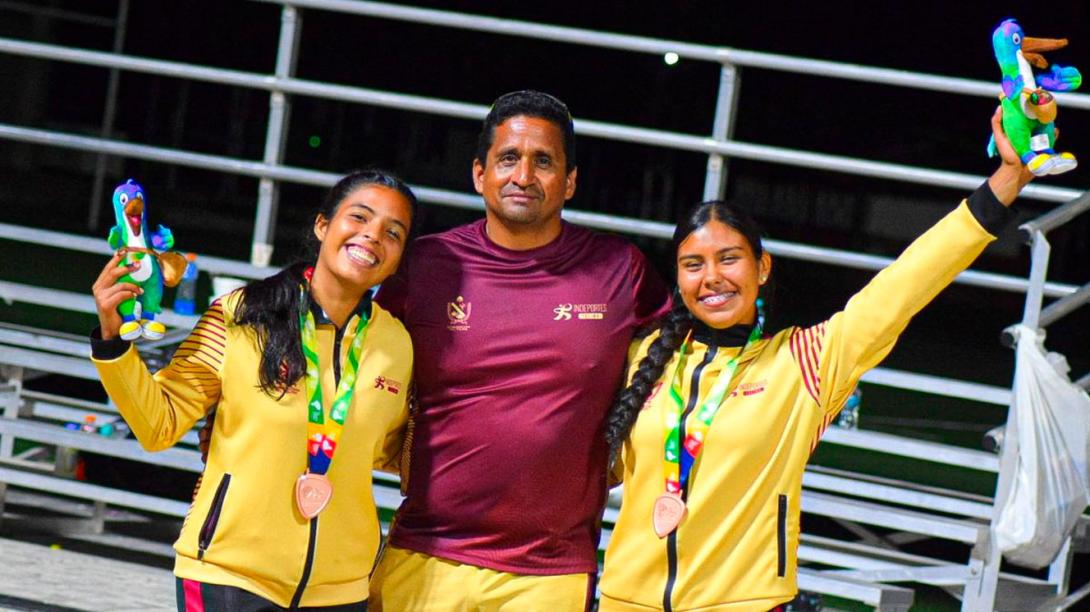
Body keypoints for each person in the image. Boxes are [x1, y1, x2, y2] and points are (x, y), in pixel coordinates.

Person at [597, 107, 1033, 612]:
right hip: (624, 601)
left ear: (762, 268)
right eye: (693, 265)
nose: (711, 277)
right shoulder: (644, 356)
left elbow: (907, 283)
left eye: (729, 258)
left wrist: (1006, 180)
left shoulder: (805, 363)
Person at [368, 91, 671, 610]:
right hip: (425, 552)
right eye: (508, 158)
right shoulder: (426, 265)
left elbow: (685, 360)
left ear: (570, 182)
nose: (524, 176)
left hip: (550, 572)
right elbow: (353, 361)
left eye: (544, 162)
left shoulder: (619, 270)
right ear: (479, 173)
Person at [90, 170, 416, 611]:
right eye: (359, 217)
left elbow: (392, 450)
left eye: (392, 233)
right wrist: (112, 344)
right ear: (323, 226)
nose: (373, 236)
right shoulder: (241, 315)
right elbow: (159, 424)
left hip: (340, 591)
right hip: (229, 575)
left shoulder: (397, 344)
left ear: (398, 260)